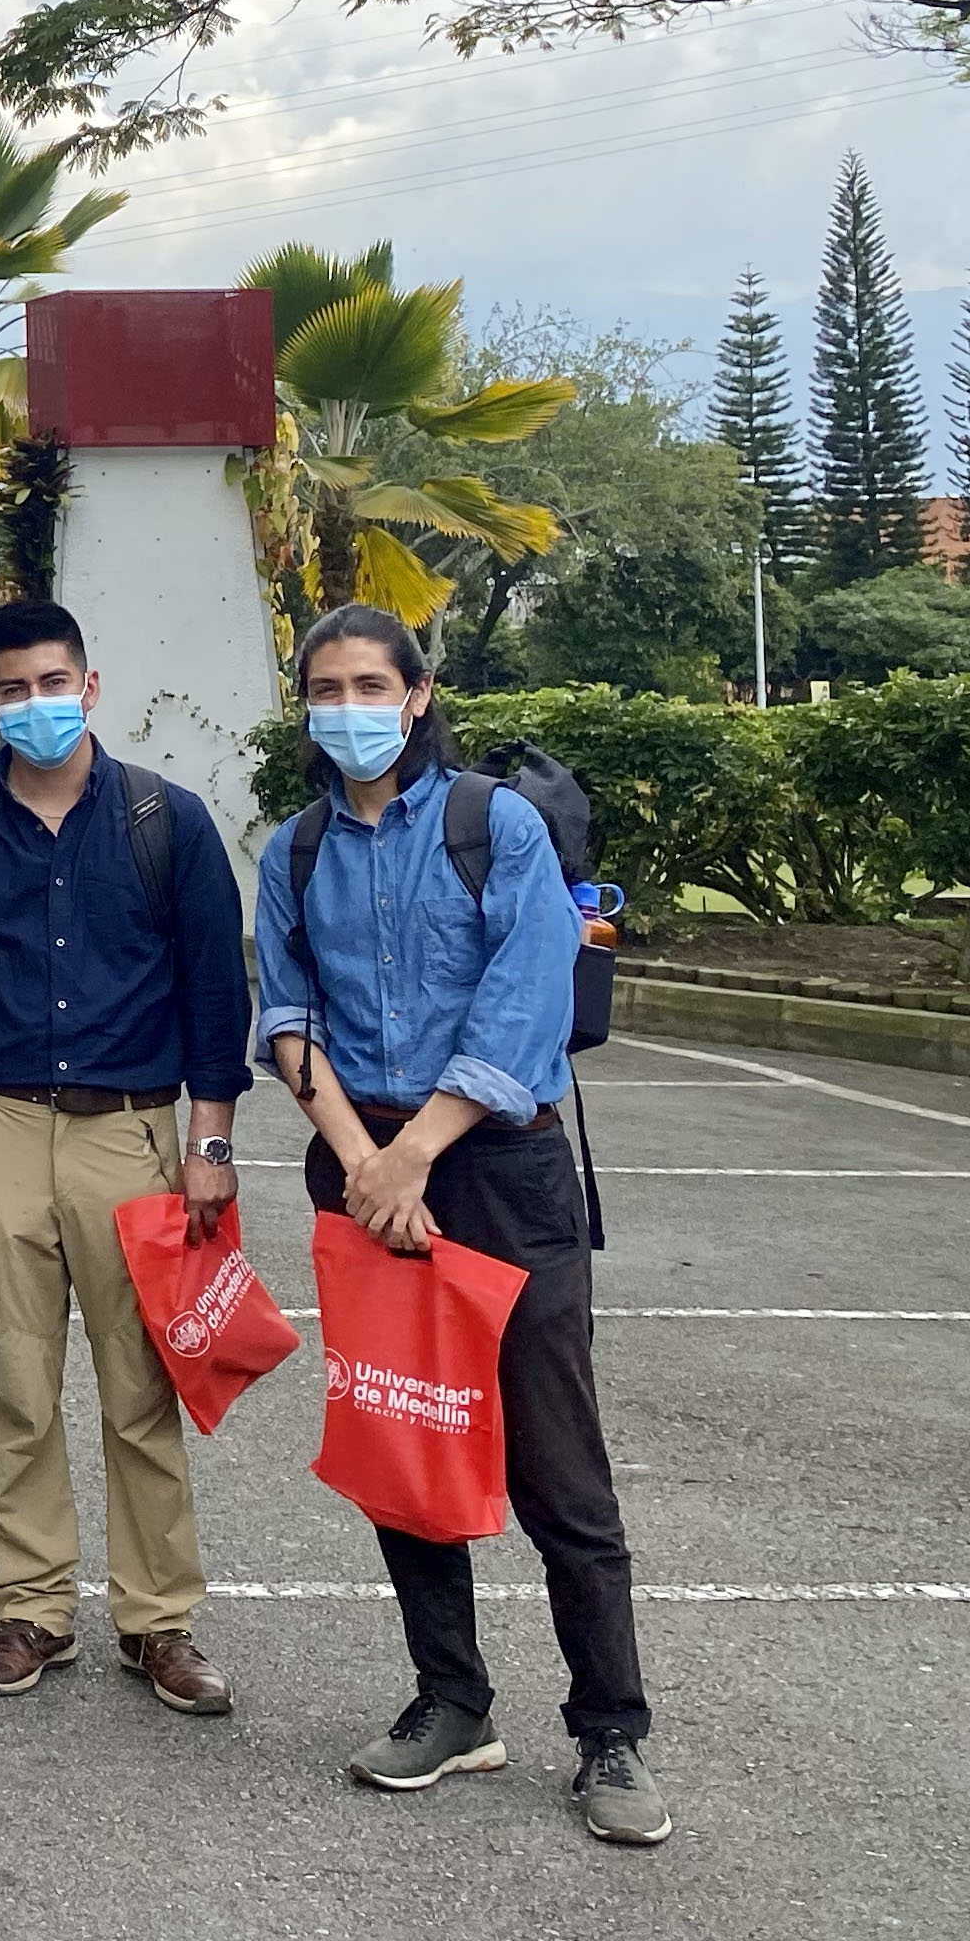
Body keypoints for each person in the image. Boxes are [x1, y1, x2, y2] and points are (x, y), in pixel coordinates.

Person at [256, 606, 668, 1845]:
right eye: (325, 688)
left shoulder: (501, 827)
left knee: (558, 1464)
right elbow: (287, 1009)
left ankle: (611, 1731)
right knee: (408, 1440)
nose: (348, 707)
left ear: (419, 695)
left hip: (497, 1166)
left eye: (370, 683)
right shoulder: (298, 845)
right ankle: (452, 1700)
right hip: (363, 1161)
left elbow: (524, 1002)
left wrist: (416, 1153)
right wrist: (362, 1161)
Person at [0, 597, 250, 1715]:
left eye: (54, 684)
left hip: (131, 1135)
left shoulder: (165, 821)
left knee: (141, 1387)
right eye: (12, 690)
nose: (35, 706)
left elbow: (213, 991)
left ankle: (159, 1623)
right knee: (17, 1380)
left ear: (90, 689)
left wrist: (212, 1141)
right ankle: (31, 1606)